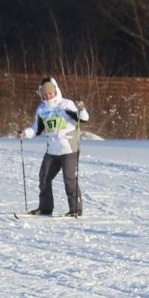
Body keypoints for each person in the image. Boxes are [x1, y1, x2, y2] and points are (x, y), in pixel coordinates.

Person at [22, 76, 90, 216]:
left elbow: (83, 119)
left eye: (50, 93)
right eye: (45, 95)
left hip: (69, 150)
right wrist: (26, 133)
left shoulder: (65, 105)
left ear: (55, 91)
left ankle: (75, 210)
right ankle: (45, 208)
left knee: (69, 179)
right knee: (44, 177)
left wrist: (81, 109)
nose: (48, 97)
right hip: (52, 151)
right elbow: (37, 128)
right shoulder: (42, 109)